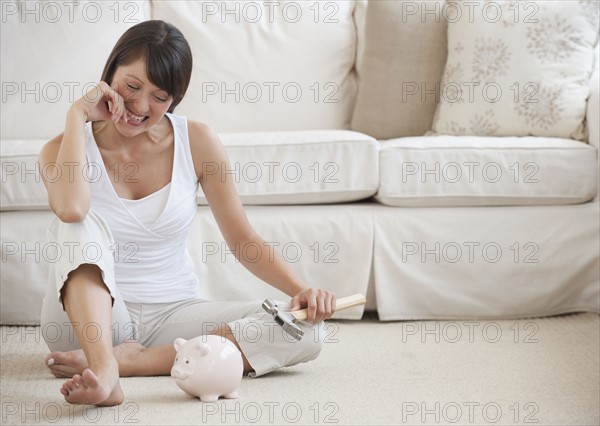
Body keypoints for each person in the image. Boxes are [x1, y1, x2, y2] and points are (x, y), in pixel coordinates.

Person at [38, 20, 336, 407]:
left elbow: (242, 239)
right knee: (80, 223)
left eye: (160, 96)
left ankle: (127, 364)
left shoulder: (196, 140)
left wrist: (301, 292)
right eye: (131, 86)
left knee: (305, 331)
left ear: (175, 99)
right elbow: (71, 207)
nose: (141, 107)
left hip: (174, 316)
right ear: (109, 74)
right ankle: (105, 366)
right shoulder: (60, 148)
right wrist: (77, 115)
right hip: (85, 324)